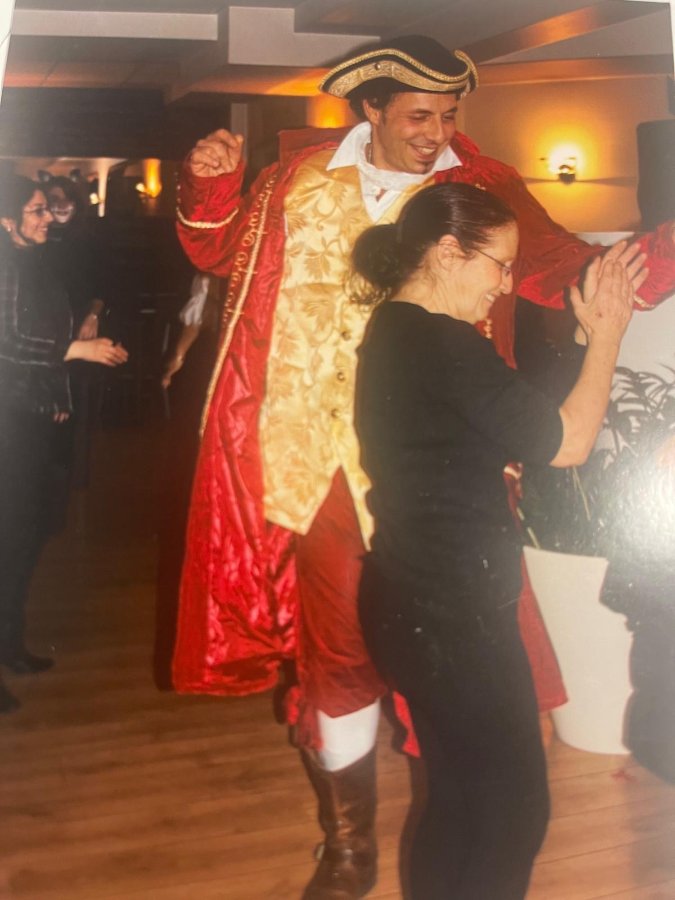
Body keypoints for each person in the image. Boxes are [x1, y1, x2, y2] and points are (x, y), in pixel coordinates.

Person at [171, 35, 675, 899]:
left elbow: (566, 269)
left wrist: (654, 257)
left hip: (444, 467)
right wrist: (208, 187)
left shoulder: (480, 189)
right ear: (369, 109)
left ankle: (455, 833)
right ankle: (349, 846)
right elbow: (217, 253)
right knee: (339, 662)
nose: (435, 132)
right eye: (416, 115)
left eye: (448, 115)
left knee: (462, 682)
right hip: (315, 465)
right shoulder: (295, 179)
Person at [352, 182, 640, 899]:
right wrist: (608, 335)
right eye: (499, 265)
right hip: (454, 615)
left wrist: (580, 340)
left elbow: (510, 413)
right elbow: (566, 442)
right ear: (449, 252)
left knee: (458, 800)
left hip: (409, 598)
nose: (506, 285)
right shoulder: (443, 343)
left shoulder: (396, 329)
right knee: (513, 810)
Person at [0, 175, 128, 714]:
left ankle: (10, 645)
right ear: (6, 220)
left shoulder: (36, 260)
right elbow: (8, 342)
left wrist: (57, 395)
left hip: (32, 415)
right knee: (9, 538)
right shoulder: (6, 264)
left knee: (26, 537)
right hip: (8, 419)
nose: (46, 218)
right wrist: (80, 350)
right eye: (34, 211)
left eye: (45, 210)